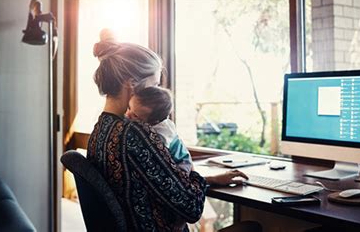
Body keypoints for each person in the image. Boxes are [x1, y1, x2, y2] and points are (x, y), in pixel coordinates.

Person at [87, 33, 252, 231]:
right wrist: (196, 178)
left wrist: (211, 180)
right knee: (252, 227)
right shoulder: (135, 134)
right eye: (154, 85)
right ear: (131, 83)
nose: (157, 92)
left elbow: (154, 183)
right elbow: (191, 209)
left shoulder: (101, 130)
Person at [125, 85, 193, 174]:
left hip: (181, 162)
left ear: (153, 121)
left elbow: (159, 153)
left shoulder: (163, 132)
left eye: (135, 116)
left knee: (180, 177)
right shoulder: (143, 121)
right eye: (129, 108)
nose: (128, 114)